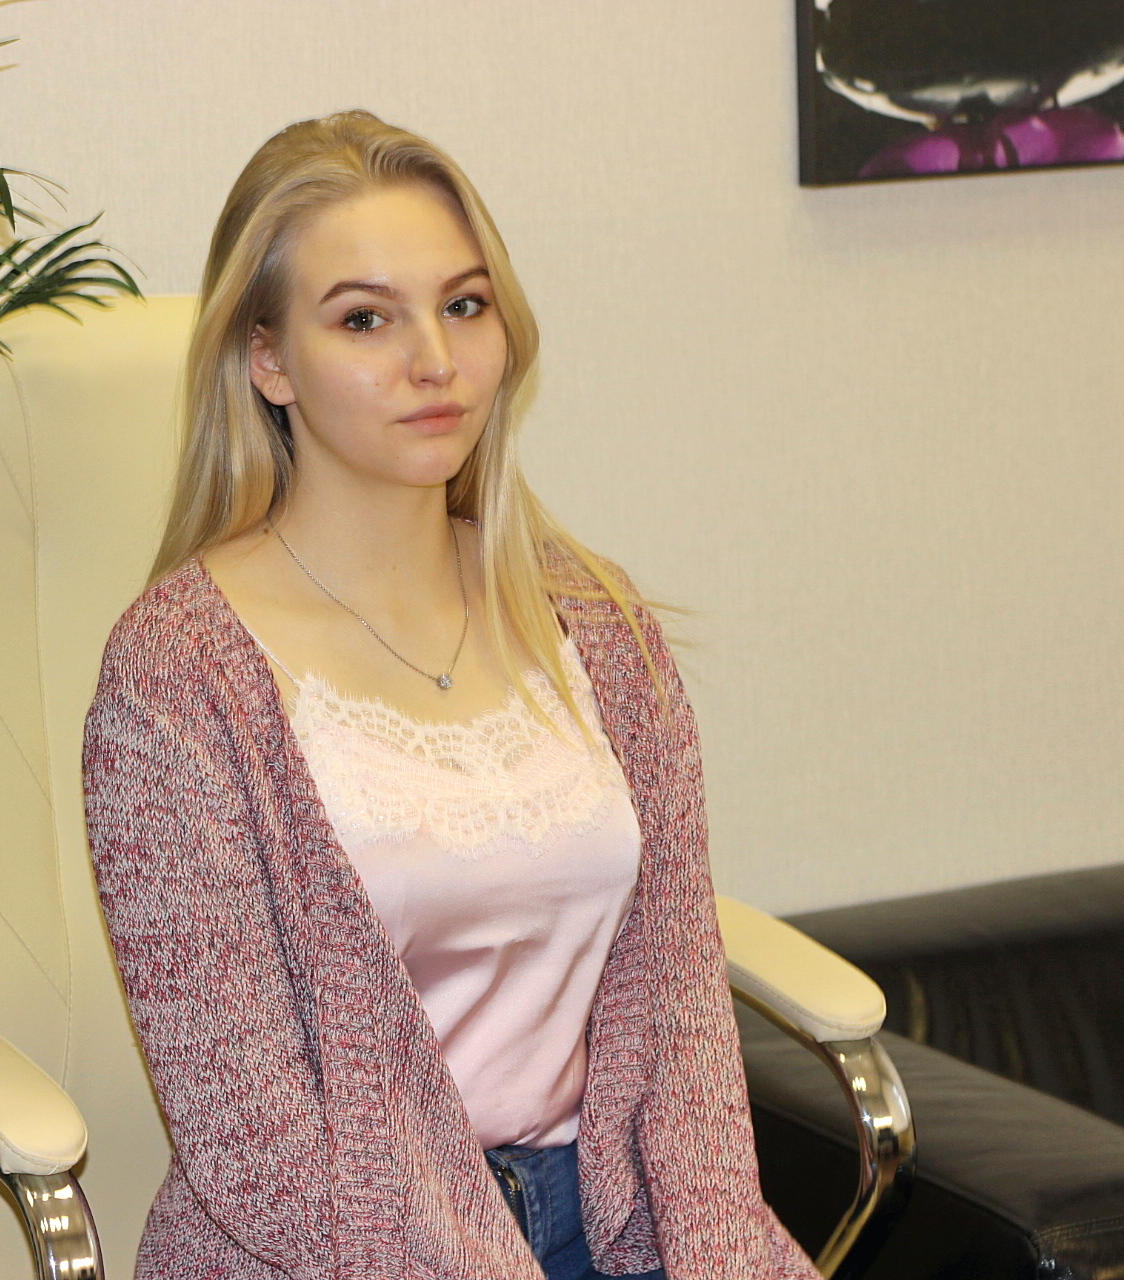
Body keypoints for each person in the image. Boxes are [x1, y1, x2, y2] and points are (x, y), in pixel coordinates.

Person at [80, 109, 820, 1280]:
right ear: (268, 360)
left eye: (464, 305)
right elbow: (255, 1145)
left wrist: (727, 1258)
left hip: (613, 1223)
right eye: (365, 318)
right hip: (342, 1253)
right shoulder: (177, 676)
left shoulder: (599, 623)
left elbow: (682, 1025)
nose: (435, 359)